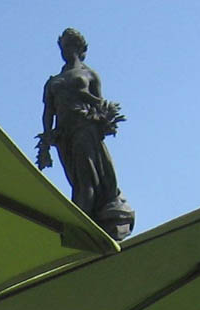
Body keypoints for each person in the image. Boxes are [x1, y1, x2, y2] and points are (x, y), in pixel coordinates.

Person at [36, 28, 135, 241]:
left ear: (79, 48)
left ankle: (84, 217)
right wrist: (47, 137)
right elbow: (48, 111)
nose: (66, 51)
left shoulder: (89, 74)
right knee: (75, 177)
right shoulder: (53, 81)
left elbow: (101, 104)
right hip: (64, 135)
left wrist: (89, 102)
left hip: (84, 128)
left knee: (86, 175)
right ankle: (83, 217)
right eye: (63, 47)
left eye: (70, 46)